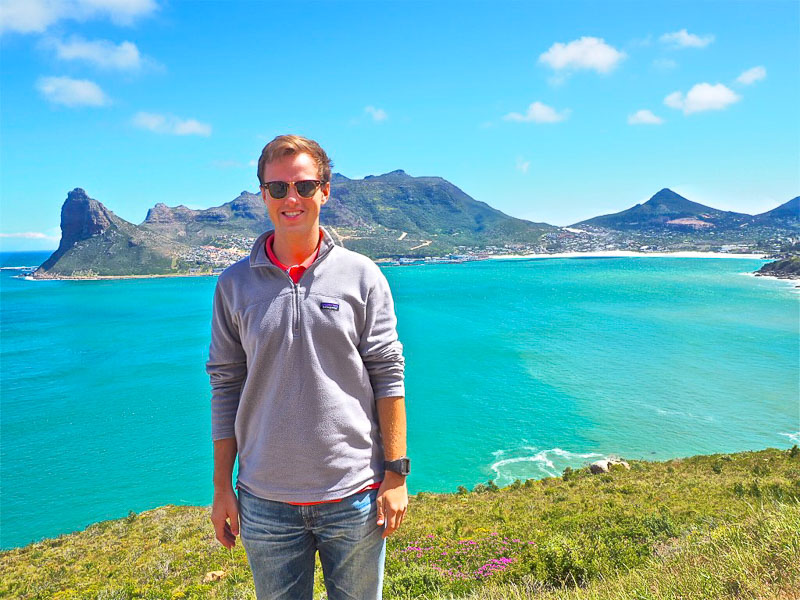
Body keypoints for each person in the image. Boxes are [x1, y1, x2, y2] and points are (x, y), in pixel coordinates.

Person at [207, 134, 409, 599]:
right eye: (277, 188)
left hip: (355, 494)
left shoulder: (363, 275)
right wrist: (222, 488)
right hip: (264, 501)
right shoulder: (233, 285)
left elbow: (388, 374)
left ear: (325, 190)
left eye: (303, 185)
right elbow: (225, 385)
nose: (290, 198)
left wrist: (396, 475)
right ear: (263, 195)